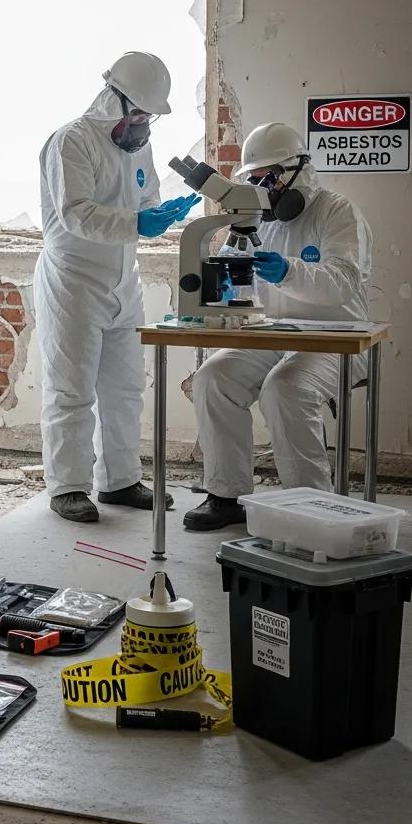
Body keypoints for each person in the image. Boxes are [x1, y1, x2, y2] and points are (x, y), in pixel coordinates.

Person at [36, 52, 199, 523]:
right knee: (72, 390)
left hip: (124, 281)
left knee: (126, 387)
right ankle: (68, 486)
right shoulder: (72, 141)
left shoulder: (136, 144)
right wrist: (138, 221)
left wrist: (162, 212)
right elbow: (75, 214)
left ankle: (121, 480)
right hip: (74, 281)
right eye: (139, 112)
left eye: (150, 115)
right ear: (113, 97)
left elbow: (145, 199)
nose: (145, 122)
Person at [185, 122, 373, 531]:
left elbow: (342, 284)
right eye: (255, 180)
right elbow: (236, 277)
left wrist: (289, 270)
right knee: (213, 377)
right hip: (276, 332)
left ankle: (311, 506)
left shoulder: (338, 212)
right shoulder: (259, 220)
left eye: (268, 178)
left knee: (286, 388)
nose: (262, 189)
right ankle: (225, 494)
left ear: (298, 171)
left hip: (338, 337)